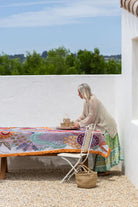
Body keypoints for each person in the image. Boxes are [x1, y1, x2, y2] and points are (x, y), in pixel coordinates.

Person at [73, 83, 123, 175]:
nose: (78, 95)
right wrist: (75, 122)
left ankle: (104, 170)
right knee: (100, 147)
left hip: (106, 126)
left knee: (102, 147)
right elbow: (84, 115)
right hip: (101, 126)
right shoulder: (86, 101)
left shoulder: (93, 100)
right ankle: (101, 170)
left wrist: (79, 124)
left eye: (79, 93)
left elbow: (91, 117)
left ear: (83, 92)